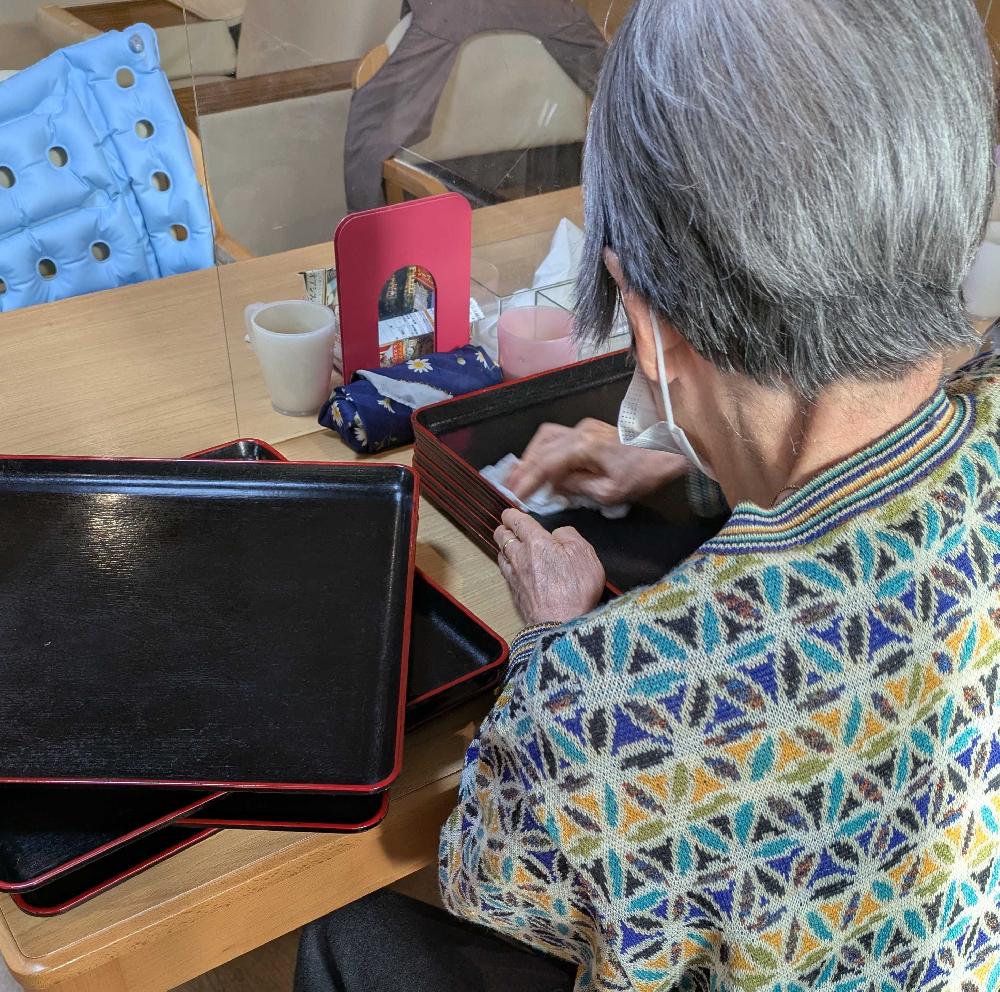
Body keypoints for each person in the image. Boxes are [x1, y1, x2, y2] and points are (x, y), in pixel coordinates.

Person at [296, 0, 998, 988]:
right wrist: (683, 463)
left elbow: (487, 877)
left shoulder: (610, 701)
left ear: (647, 322)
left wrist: (556, 642)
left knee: (352, 936)